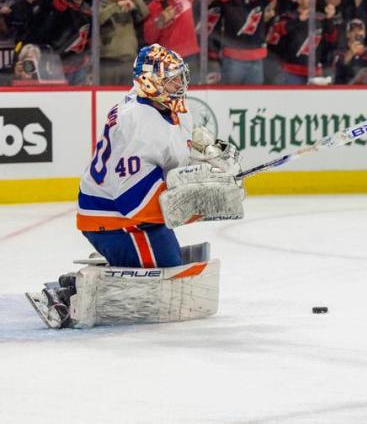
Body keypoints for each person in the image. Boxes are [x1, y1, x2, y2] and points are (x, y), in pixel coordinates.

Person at [26, 44, 244, 329]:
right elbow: (136, 204)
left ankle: (116, 266)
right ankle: (71, 293)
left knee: (172, 263)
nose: (180, 84)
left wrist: (208, 153)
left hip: (125, 210)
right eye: (172, 79)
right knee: (168, 268)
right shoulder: (139, 121)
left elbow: (175, 155)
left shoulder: (164, 105)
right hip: (113, 219)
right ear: (150, 81)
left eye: (180, 77)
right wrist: (204, 202)